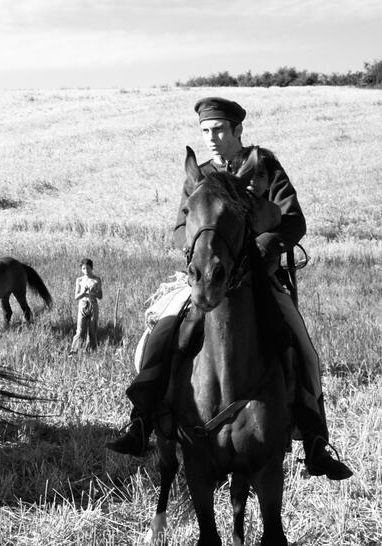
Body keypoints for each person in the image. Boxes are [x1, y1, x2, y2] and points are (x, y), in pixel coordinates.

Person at [108, 97, 353, 481]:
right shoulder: (201, 174)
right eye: (206, 131)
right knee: (163, 330)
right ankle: (141, 421)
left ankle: (316, 441)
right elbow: (178, 228)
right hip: (203, 274)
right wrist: (197, 247)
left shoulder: (265, 167)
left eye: (219, 130)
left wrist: (268, 243)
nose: (212, 138)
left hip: (257, 280)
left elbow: (294, 220)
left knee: (304, 349)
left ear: (238, 131)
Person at [69, 258, 102, 354]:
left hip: (93, 304)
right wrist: (83, 292)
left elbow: (100, 296)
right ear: (81, 269)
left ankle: (92, 351)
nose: (86, 271)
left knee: (92, 329)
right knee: (80, 330)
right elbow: (76, 297)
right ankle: (74, 350)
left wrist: (93, 292)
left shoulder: (96, 280)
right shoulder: (79, 280)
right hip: (83, 305)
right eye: (83, 268)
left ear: (92, 268)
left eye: (88, 268)